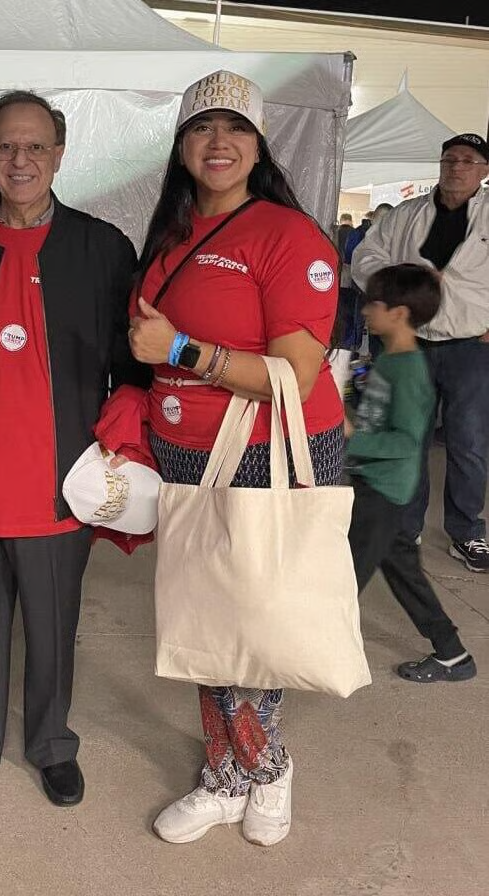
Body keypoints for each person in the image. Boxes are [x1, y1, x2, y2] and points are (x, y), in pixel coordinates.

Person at [125, 70, 343, 847]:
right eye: (201, 127)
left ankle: (264, 768)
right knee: (207, 619)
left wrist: (181, 349)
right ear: (181, 144)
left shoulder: (289, 237)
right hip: (184, 454)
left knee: (257, 621)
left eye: (235, 128)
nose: (217, 142)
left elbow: (296, 375)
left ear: (258, 145)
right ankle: (226, 777)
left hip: (265, 453)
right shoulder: (172, 234)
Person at [0, 90, 149, 812]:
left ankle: (52, 744)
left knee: (53, 628)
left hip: (60, 479)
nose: (19, 160)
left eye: (34, 146)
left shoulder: (102, 248)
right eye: (5, 146)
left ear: (59, 153)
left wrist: (124, 429)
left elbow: (132, 364)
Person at [352, 133, 489, 572]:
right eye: (450, 159)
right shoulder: (406, 215)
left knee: (469, 441)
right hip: (410, 342)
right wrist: (399, 283)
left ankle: (467, 531)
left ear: (484, 171)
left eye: (468, 160)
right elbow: (366, 256)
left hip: (471, 344)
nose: (457, 167)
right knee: (409, 437)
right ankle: (404, 527)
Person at [346, 263, 476, 683]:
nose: (365, 310)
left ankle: (304, 655)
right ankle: (453, 654)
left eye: (374, 304)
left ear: (398, 313)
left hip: (384, 491)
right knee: (403, 572)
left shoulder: (410, 370)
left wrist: (351, 439)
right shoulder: (389, 360)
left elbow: (405, 441)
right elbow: (378, 415)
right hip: (375, 484)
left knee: (343, 577)